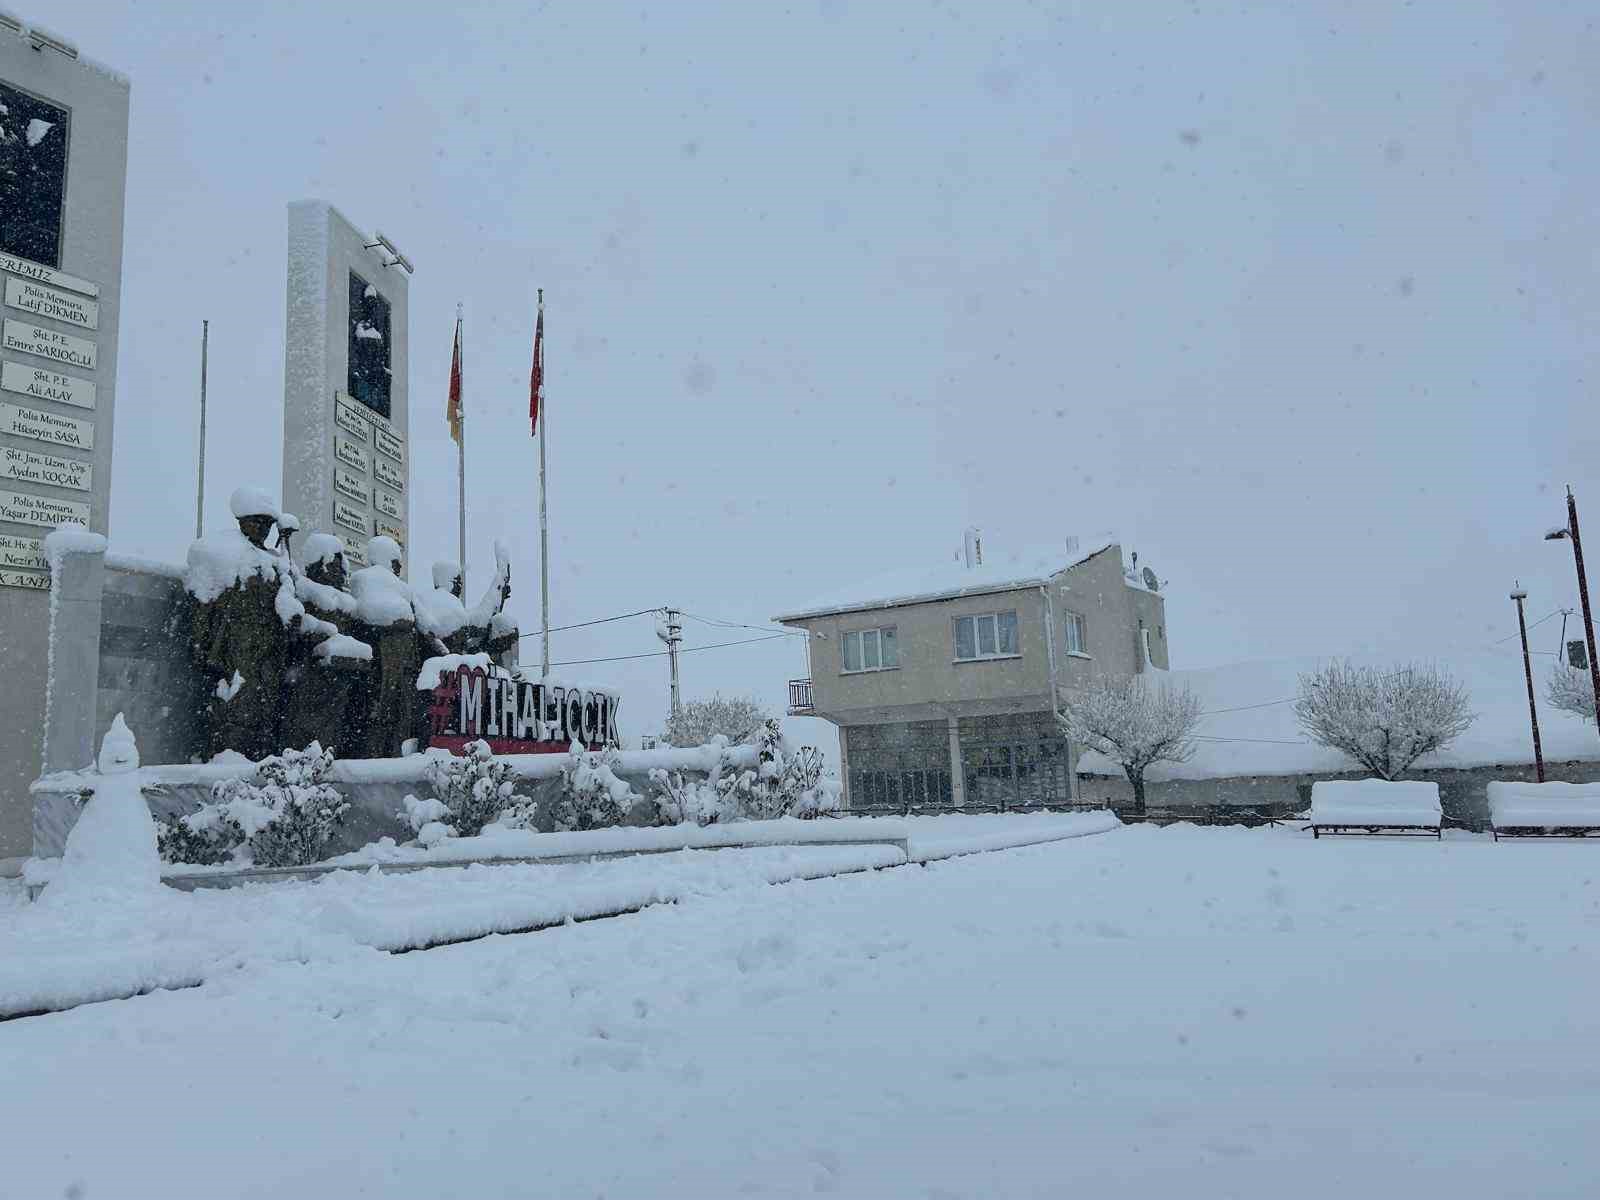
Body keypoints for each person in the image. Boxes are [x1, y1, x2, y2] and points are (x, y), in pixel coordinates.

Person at [186, 487, 297, 760]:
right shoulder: (219, 551)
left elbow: (289, 601)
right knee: (234, 709)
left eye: (268, 524)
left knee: (266, 711)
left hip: (268, 652)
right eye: (257, 522)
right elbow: (203, 602)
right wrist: (201, 645)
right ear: (242, 520)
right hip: (234, 647)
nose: (263, 528)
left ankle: (259, 762)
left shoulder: (277, 562)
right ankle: (227, 761)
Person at [280, 534, 371, 758]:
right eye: (332, 564)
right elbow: (296, 624)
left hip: (339, 676)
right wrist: (318, 631)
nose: (337, 570)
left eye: (340, 566)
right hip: (308, 672)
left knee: (334, 724)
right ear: (318, 564)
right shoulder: (304, 591)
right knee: (305, 724)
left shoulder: (347, 602)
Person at [349, 535, 429, 757]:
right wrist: (400, 619)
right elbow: (368, 613)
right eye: (396, 561)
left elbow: (427, 627)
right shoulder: (363, 579)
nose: (399, 567)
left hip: (403, 667)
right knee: (376, 717)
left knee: (400, 718)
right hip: (380, 664)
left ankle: (393, 757)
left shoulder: (404, 590)